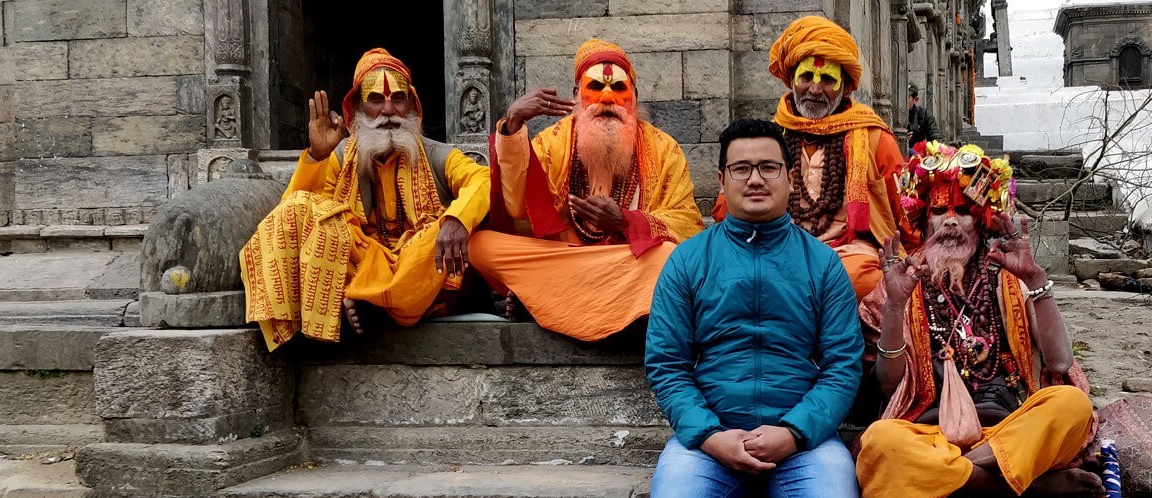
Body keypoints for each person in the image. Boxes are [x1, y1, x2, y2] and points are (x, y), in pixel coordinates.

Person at [642, 118, 865, 498]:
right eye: (741, 168)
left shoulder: (822, 264)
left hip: (805, 442)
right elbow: (666, 364)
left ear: (789, 177)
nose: (756, 179)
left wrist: (795, 432)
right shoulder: (687, 261)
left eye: (768, 167)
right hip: (708, 440)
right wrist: (708, 435)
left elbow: (844, 365)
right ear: (721, 180)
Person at [853, 142, 1099, 498]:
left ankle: (964, 475)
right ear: (923, 221)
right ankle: (1020, 483)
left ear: (981, 222)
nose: (951, 221)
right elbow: (888, 386)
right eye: (939, 210)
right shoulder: (900, 282)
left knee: (1071, 406)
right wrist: (894, 307)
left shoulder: (1008, 276)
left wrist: (1036, 280)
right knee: (879, 444)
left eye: (964, 212)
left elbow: (1060, 362)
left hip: (1009, 429)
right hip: (930, 435)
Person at [240, 49, 492, 351]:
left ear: (411, 105)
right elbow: (298, 214)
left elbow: (482, 179)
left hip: (418, 264)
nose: (388, 110)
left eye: (398, 98)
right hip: (365, 262)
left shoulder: (439, 154)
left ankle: (370, 301)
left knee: (437, 240)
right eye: (376, 100)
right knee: (304, 213)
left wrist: (457, 219)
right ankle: (373, 300)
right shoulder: (341, 156)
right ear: (358, 109)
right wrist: (316, 156)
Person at [468, 39, 705, 341]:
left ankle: (547, 300)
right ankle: (607, 308)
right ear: (577, 95)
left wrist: (625, 222)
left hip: (627, 261)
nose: (607, 98)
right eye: (595, 87)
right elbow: (516, 208)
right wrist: (513, 125)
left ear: (635, 97)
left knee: (668, 257)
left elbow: (689, 225)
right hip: (568, 258)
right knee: (481, 246)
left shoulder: (663, 148)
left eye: (619, 89)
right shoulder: (554, 140)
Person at [711, 16, 912, 300]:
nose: (815, 89)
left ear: (845, 85)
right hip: (775, 246)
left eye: (828, 79)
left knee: (862, 277)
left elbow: (904, 207)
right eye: (806, 77)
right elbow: (727, 207)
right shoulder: (771, 136)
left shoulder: (875, 138)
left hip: (847, 253)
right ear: (792, 80)